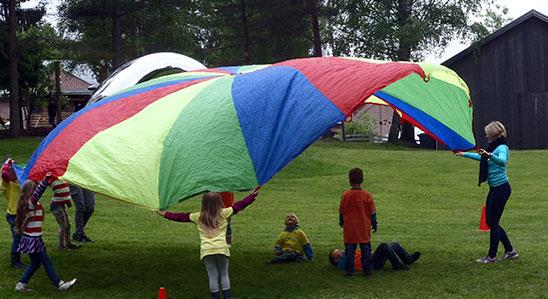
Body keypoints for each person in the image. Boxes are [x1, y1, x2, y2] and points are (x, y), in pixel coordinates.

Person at [158, 187, 261, 299]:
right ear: (219, 202)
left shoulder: (198, 216)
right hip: (222, 249)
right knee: (224, 274)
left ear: (204, 203)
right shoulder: (225, 213)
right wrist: (252, 196)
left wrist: (164, 214)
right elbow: (240, 205)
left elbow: (180, 217)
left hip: (207, 250)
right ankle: (227, 297)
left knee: (212, 276)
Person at [455, 121, 519, 263]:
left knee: (493, 222)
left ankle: (491, 256)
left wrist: (490, 155)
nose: (485, 135)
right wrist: (463, 154)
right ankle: (510, 251)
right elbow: (482, 157)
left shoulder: (502, 148)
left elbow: (502, 161)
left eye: (487, 133)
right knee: (491, 222)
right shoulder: (493, 147)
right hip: (495, 189)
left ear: (493, 134)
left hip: (501, 189)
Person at [15, 173, 77, 292]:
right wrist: (46, 180)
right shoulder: (30, 203)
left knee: (36, 263)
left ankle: (20, 284)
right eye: (34, 188)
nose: (36, 190)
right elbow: (38, 193)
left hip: (31, 238)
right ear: (31, 191)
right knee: (47, 262)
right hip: (34, 239)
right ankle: (60, 284)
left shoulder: (26, 203)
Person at [339, 167, 377, 276]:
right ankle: (367, 270)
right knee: (365, 249)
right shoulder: (366, 195)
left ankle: (350, 271)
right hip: (363, 227)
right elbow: (372, 211)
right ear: (362, 179)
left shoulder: (346, 195)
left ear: (349, 180)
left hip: (350, 227)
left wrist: (341, 221)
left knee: (350, 250)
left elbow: (342, 210)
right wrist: (374, 223)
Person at [329, 242, 420, 271]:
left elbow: (363, 251)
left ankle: (408, 259)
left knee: (393, 244)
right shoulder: (343, 262)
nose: (340, 252)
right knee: (384, 245)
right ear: (336, 260)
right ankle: (396, 264)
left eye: (339, 251)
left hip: (372, 258)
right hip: (371, 263)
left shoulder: (349, 253)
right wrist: (343, 256)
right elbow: (340, 266)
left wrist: (372, 252)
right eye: (337, 253)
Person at [1, 158, 25, 268]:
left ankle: (24, 255)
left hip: (22, 214)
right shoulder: (7, 184)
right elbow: (4, 175)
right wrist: (6, 164)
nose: (14, 171)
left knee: (22, 236)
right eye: (12, 170)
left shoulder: (20, 179)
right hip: (13, 215)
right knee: (17, 236)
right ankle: (15, 261)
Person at [50, 179, 80, 250]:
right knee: (63, 225)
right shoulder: (50, 179)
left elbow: (65, 191)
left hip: (62, 204)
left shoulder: (63, 178)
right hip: (56, 205)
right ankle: (61, 246)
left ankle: (68, 243)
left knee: (68, 225)